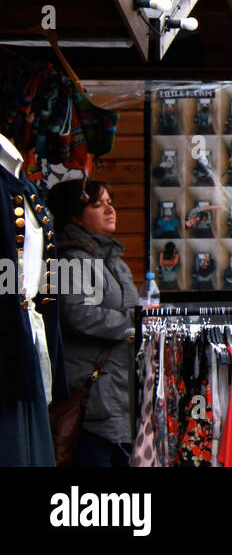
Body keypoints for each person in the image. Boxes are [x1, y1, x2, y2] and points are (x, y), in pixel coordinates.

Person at [48, 178, 137, 467]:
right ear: (75, 216)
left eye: (111, 203)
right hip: (91, 394)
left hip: (117, 392)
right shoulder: (72, 260)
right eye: (99, 205)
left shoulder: (113, 258)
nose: (110, 210)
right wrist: (130, 324)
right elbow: (78, 314)